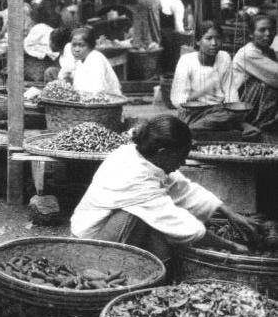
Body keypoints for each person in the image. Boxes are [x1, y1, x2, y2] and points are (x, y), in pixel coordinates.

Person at [71, 115, 258, 261]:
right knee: (141, 217)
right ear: (163, 153)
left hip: (104, 225)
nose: (184, 162)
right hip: (92, 240)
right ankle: (107, 264)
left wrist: (231, 214)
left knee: (156, 227)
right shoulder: (134, 176)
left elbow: (183, 188)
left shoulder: (140, 154)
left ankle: (162, 265)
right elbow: (179, 223)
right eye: (181, 156)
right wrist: (231, 247)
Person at [170, 21, 246, 134]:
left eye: (218, 38)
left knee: (234, 113)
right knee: (222, 118)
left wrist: (235, 109)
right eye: (208, 38)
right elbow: (177, 99)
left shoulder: (224, 57)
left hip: (219, 111)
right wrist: (198, 97)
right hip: (193, 112)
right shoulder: (186, 61)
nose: (214, 43)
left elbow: (230, 90)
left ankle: (192, 129)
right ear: (198, 41)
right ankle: (193, 128)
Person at [231, 15, 278, 135]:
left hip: (248, 103)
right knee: (267, 85)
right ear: (251, 34)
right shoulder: (248, 53)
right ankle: (261, 124)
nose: (268, 34)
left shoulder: (268, 51)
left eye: (271, 29)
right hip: (237, 106)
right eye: (262, 30)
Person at [58, 26, 122, 95]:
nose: (76, 49)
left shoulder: (95, 58)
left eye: (81, 45)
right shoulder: (80, 61)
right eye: (74, 45)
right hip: (89, 100)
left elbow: (96, 90)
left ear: (91, 46)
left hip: (107, 101)